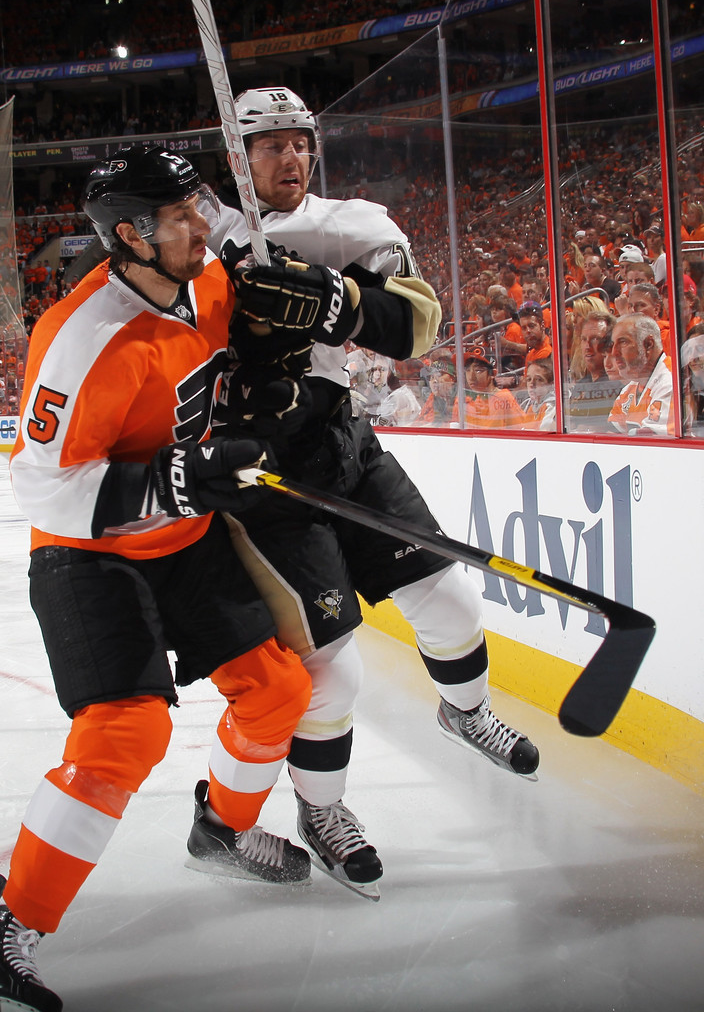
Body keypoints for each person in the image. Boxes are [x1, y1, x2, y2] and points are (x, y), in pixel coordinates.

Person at [0, 147, 313, 1012]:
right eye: (180, 216)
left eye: (199, 206)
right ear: (132, 236)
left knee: (279, 690)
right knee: (126, 733)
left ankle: (222, 829)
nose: (202, 225)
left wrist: (274, 353)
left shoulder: (207, 275)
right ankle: (6, 938)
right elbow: (40, 487)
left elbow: (236, 358)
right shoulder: (81, 336)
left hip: (184, 539)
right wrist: (175, 477)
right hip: (88, 552)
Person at [206, 87, 539, 899]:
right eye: (271, 144)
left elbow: (419, 325)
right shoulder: (199, 233)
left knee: (451, 603)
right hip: (263, 477)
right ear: (237, 157)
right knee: (331, 673)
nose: (291, 157)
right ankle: (322, 812)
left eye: (300, 142)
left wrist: (339, 301)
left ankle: (464, 712)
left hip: (342, 442)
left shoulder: (350, 224)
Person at [608, 312, 674, 436]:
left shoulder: (670, 382)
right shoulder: (630, 389)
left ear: (648, 344)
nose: (614, 352)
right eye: (613, 344)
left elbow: (652, 441)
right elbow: (610, 432)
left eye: (623, 342)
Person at [567, 311, 621, 431]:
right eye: (584, 339)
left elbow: (601, 430)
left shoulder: (619, 384)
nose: (587, 346)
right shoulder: (581, 384)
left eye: (595, 339)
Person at [521, 357, 557, 431]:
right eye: (529, 379)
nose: (531, 384)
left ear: (551, 384)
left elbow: (544, 433)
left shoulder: (552, 407)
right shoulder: (529, 405)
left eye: (538, 379)